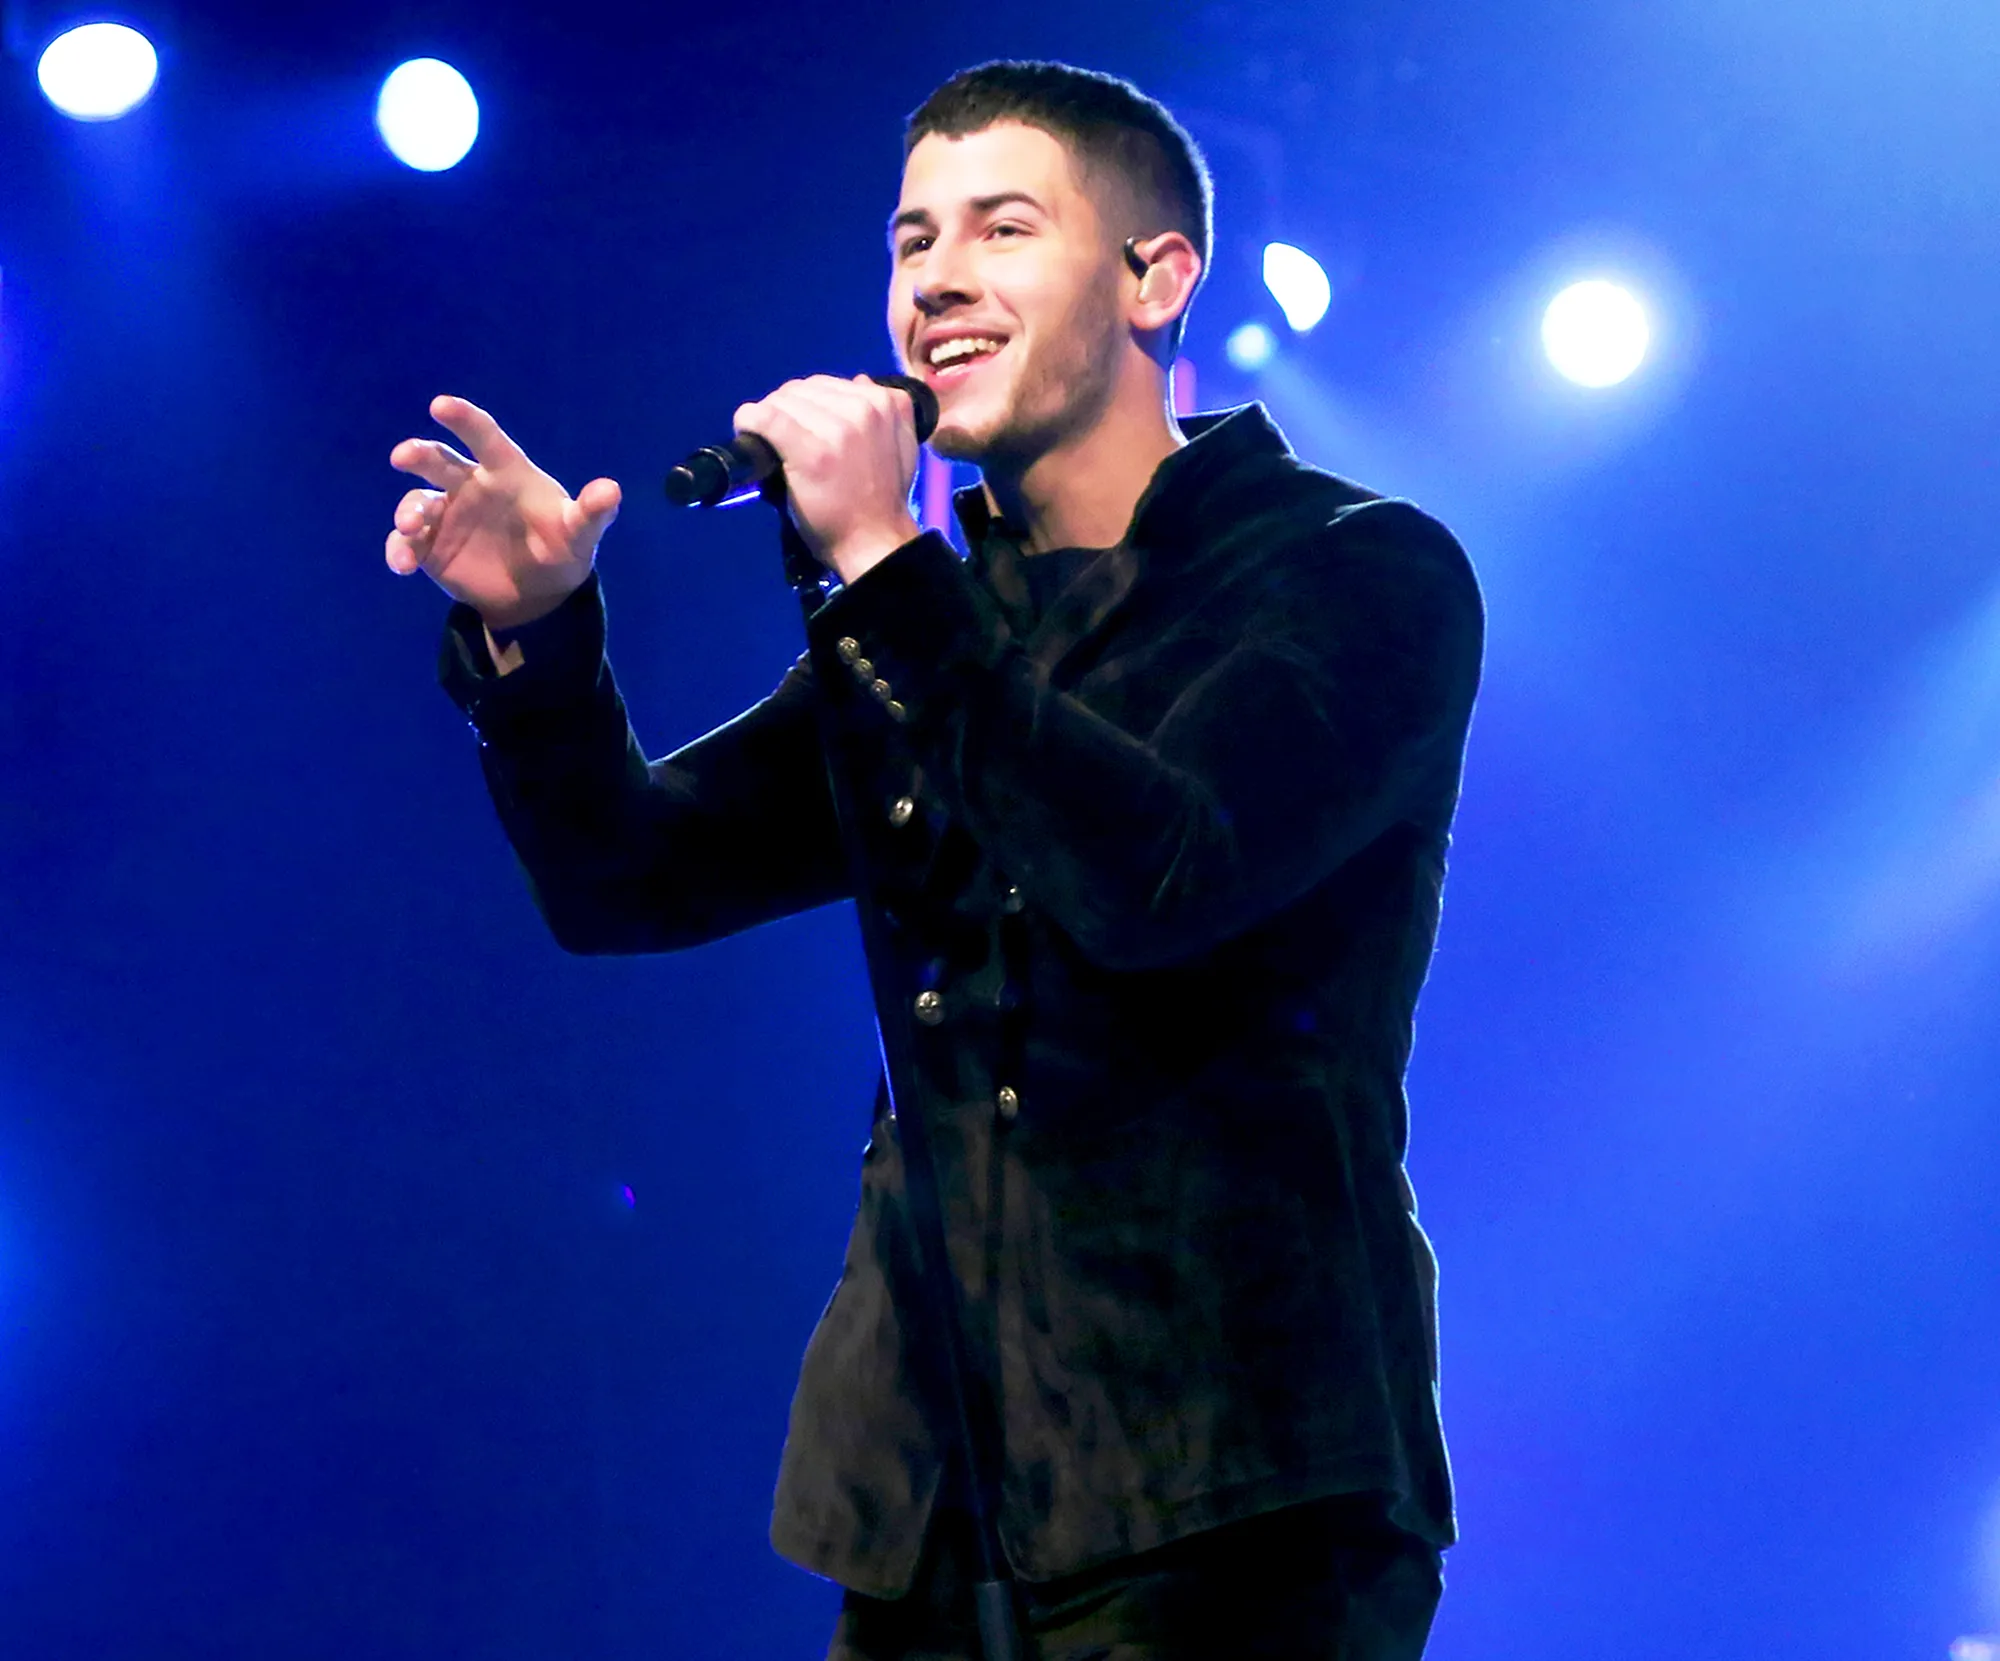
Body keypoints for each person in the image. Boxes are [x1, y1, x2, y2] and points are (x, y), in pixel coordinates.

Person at [384, 59, 1482, 1661]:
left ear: (1156, 277)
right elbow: (629, 880)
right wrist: (539, 647)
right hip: (932, 1494)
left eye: (1002, 227)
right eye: (911, 241)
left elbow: (1157, 880)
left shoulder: (1351, 573)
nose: (938, 281)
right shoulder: (938, 625)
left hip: (1234, 1487)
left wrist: (889, 564)